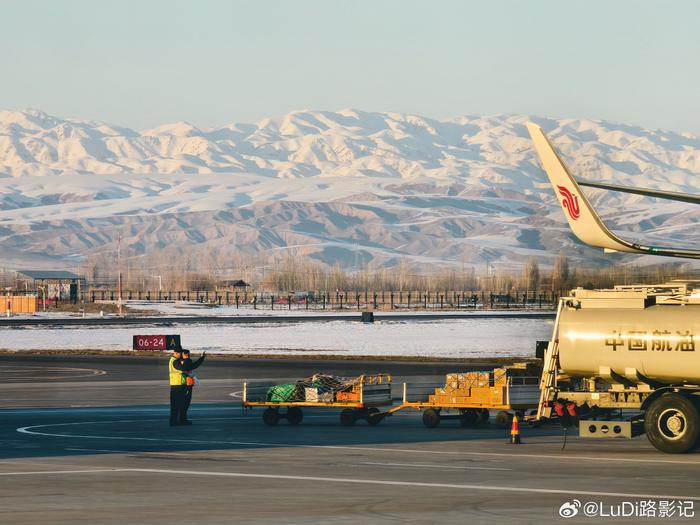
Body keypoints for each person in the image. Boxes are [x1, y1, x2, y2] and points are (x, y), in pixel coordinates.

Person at [168, 347, 205, 425]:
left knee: (184, 404)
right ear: (176, 353)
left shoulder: (179, 361)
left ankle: (182, 420)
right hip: (177, 386)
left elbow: (192, 366)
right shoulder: (175, 361)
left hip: (182, 385)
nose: (182, 355)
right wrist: (187, 360)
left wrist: (201, 358)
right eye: (181, 353)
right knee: (176, 405)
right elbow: (186, 367)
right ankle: (174, 421)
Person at [180, 348, 203, 422]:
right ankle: (183, 418)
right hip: (187, 384)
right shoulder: (188, 362)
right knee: (186, 401)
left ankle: (182, 417)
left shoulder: (179, 361)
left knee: (182, 401)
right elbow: (196, 365)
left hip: (180, 383)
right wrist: (202, 358)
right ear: (187, 355)